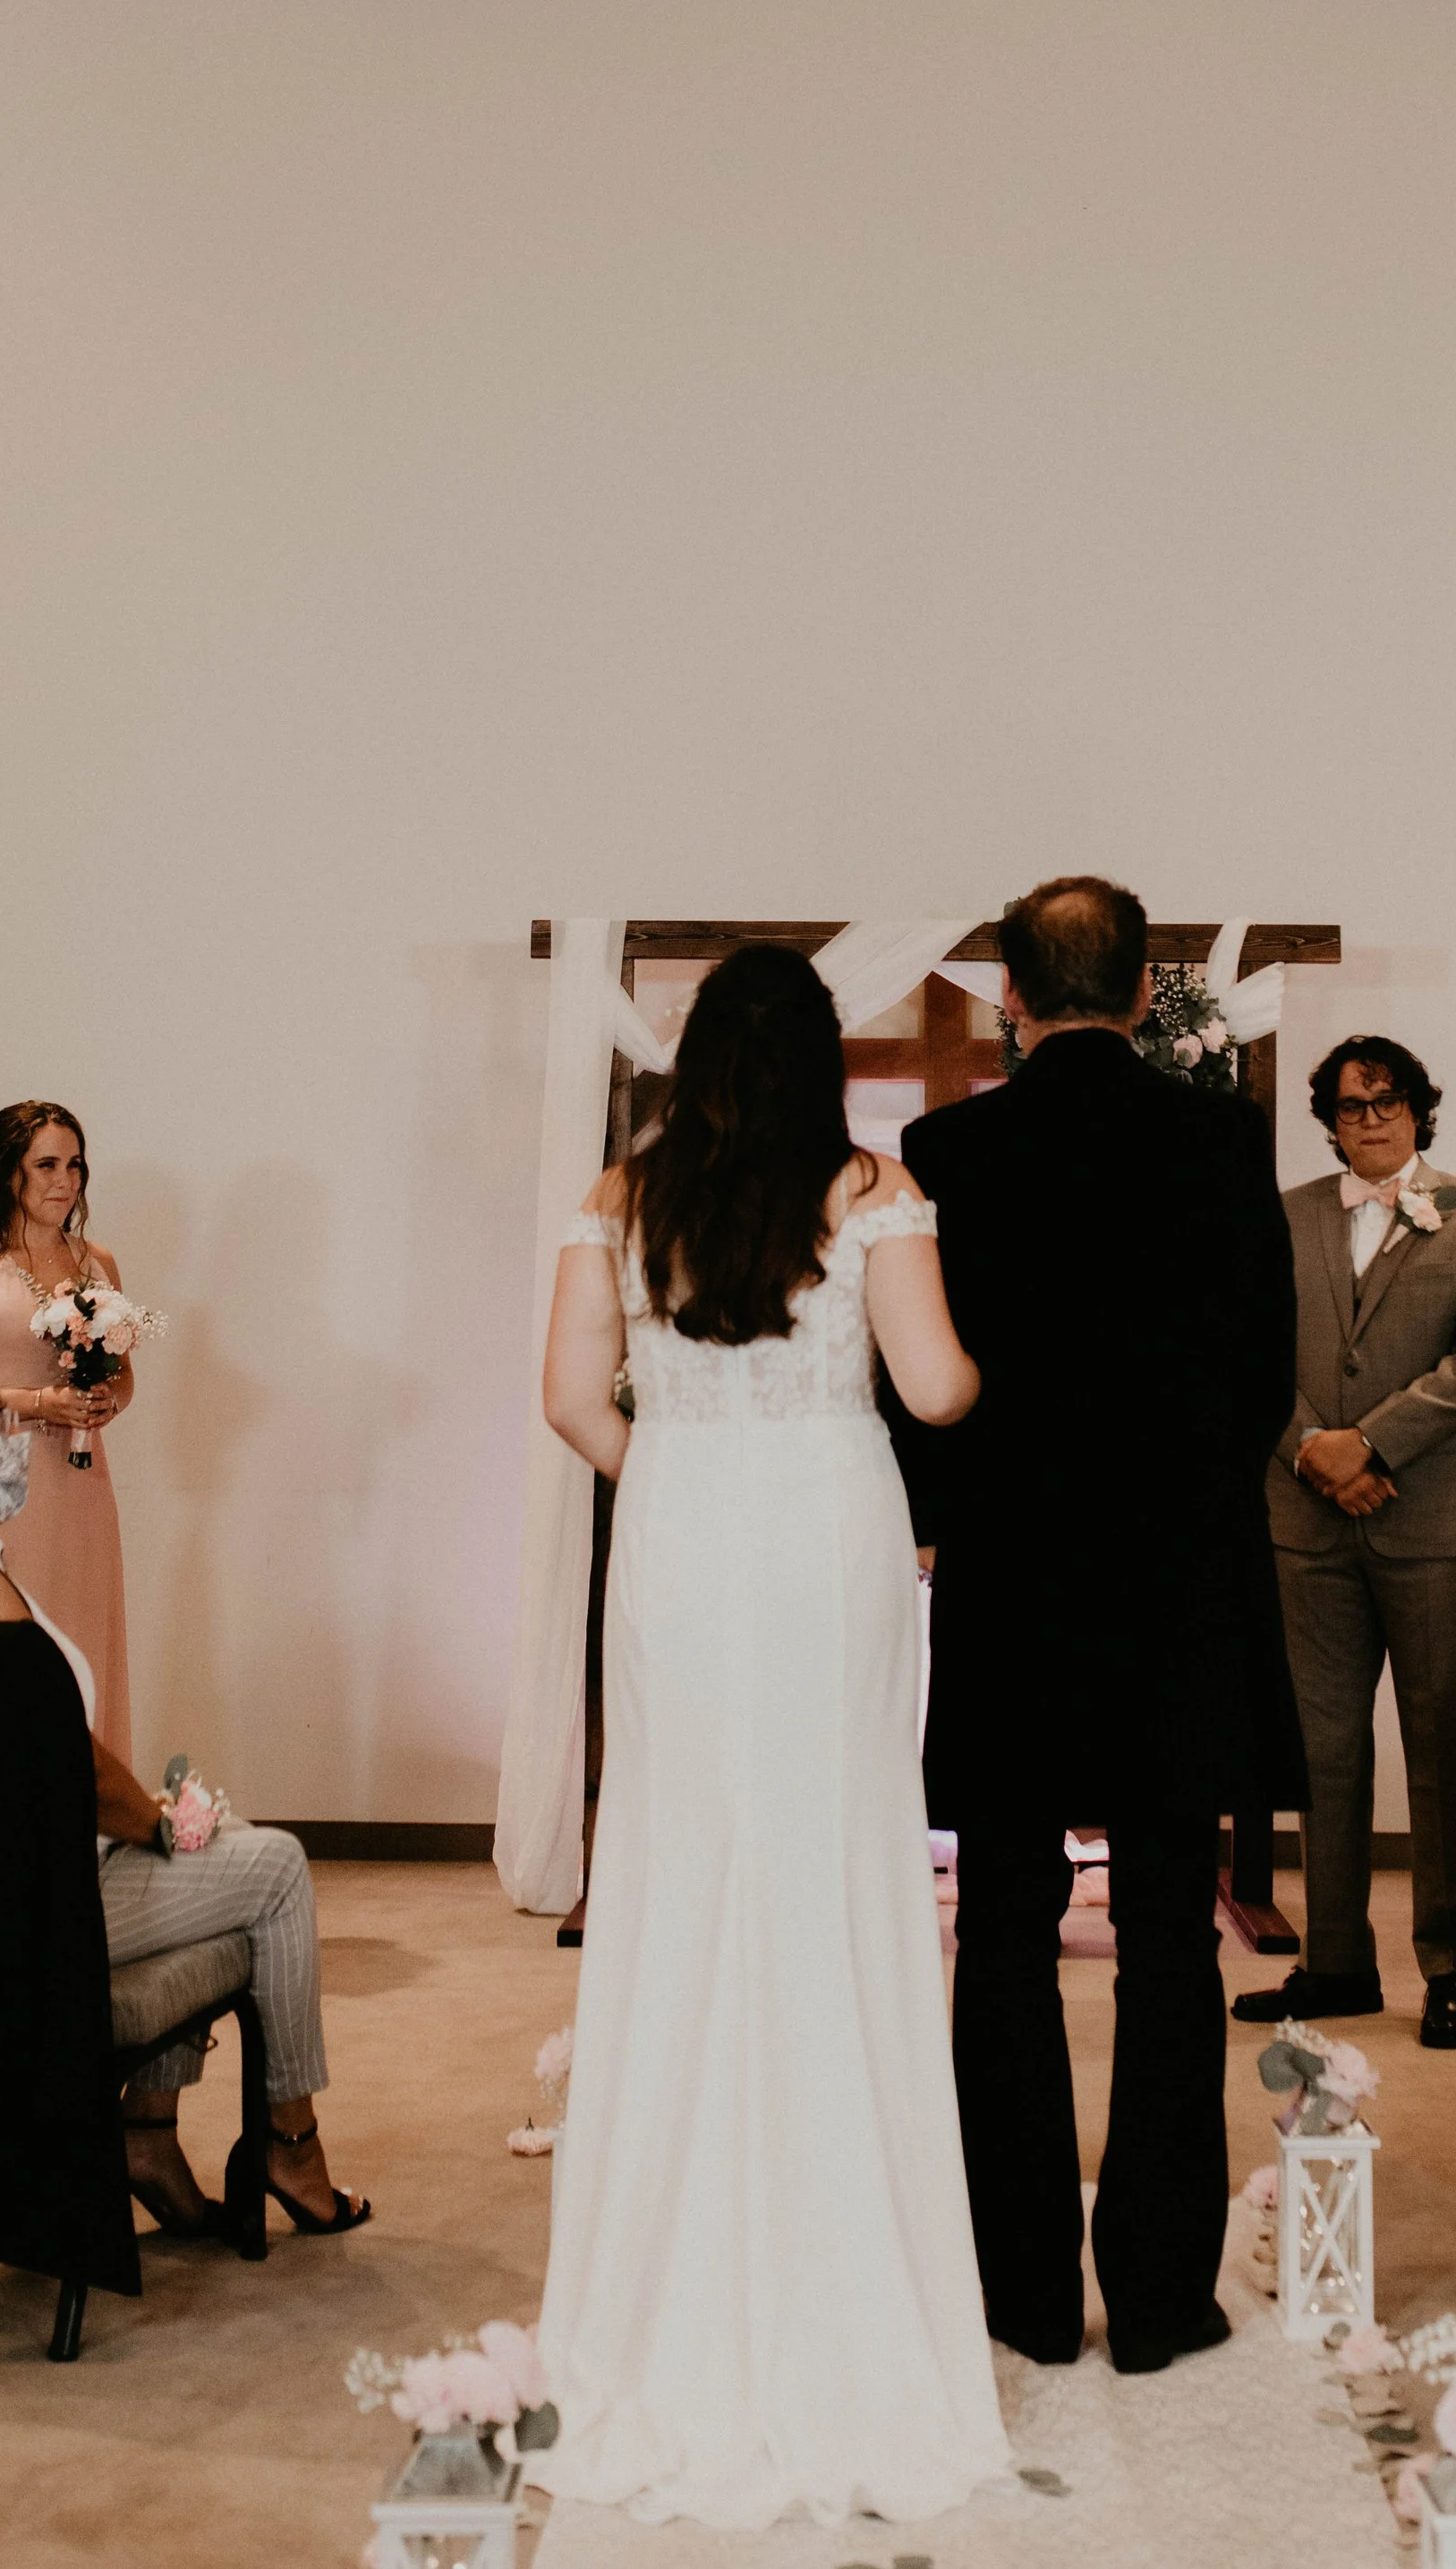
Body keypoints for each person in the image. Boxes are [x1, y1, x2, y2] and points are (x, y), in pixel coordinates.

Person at [534, 944, 1006, 2531]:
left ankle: (658, 2282)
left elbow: (563, 1399)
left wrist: (669, 1460)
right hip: (825, 1537)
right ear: (822, 1064)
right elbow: (936, 1389)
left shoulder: (624, 1196)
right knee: (831, 1864)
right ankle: (841, 2267)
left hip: (681, 1532)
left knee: (681, 1865)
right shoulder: (872, 1188)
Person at [898, 877, 1297, 2376]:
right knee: (1165, 1943)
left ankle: (1014, 2294)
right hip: (1178, 1587)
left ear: (1012, 994)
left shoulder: (946, 1153)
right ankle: (1158, 2294)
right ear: (1143, 995)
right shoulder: (1218, 1145)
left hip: (1012, 1587)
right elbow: (1268, 1372)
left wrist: (964, 1509)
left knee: (999, 1932)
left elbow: (917, 1389)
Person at [0, 1341, 367, 2241]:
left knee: (223, 1871)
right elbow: (62, 1759)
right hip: (22, 1920)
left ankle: (155, 2137)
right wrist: (157, 1820)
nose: (14, 1435)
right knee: (271, 1869)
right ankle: (285, 2142)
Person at [1236, 1037, 1456, 2052]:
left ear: (1418, 1109)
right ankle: (1336, 1963)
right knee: (1322, 1750)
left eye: (1386, 1100)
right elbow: (1251, 1347)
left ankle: (1452, 1968)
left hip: (1433, 1517)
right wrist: (1313, 1446)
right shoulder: (1288, 1213)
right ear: (1327, 1118)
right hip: (1304, 1518)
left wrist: (1371, 1440)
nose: (1369, 1117)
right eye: (1350, 1104)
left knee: (1441, 1743)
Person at [0, 1102, 139, 1750]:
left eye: (75, 1164)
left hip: (81, 1490)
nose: (65, 1180)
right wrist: (39, 1402)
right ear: (8, 1171)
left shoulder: (99, 1263)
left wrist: (104, 1401)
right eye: (46, 1164)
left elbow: (123, 1375)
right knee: (6, 1647)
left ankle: (87, 1817)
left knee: (81, 1636)